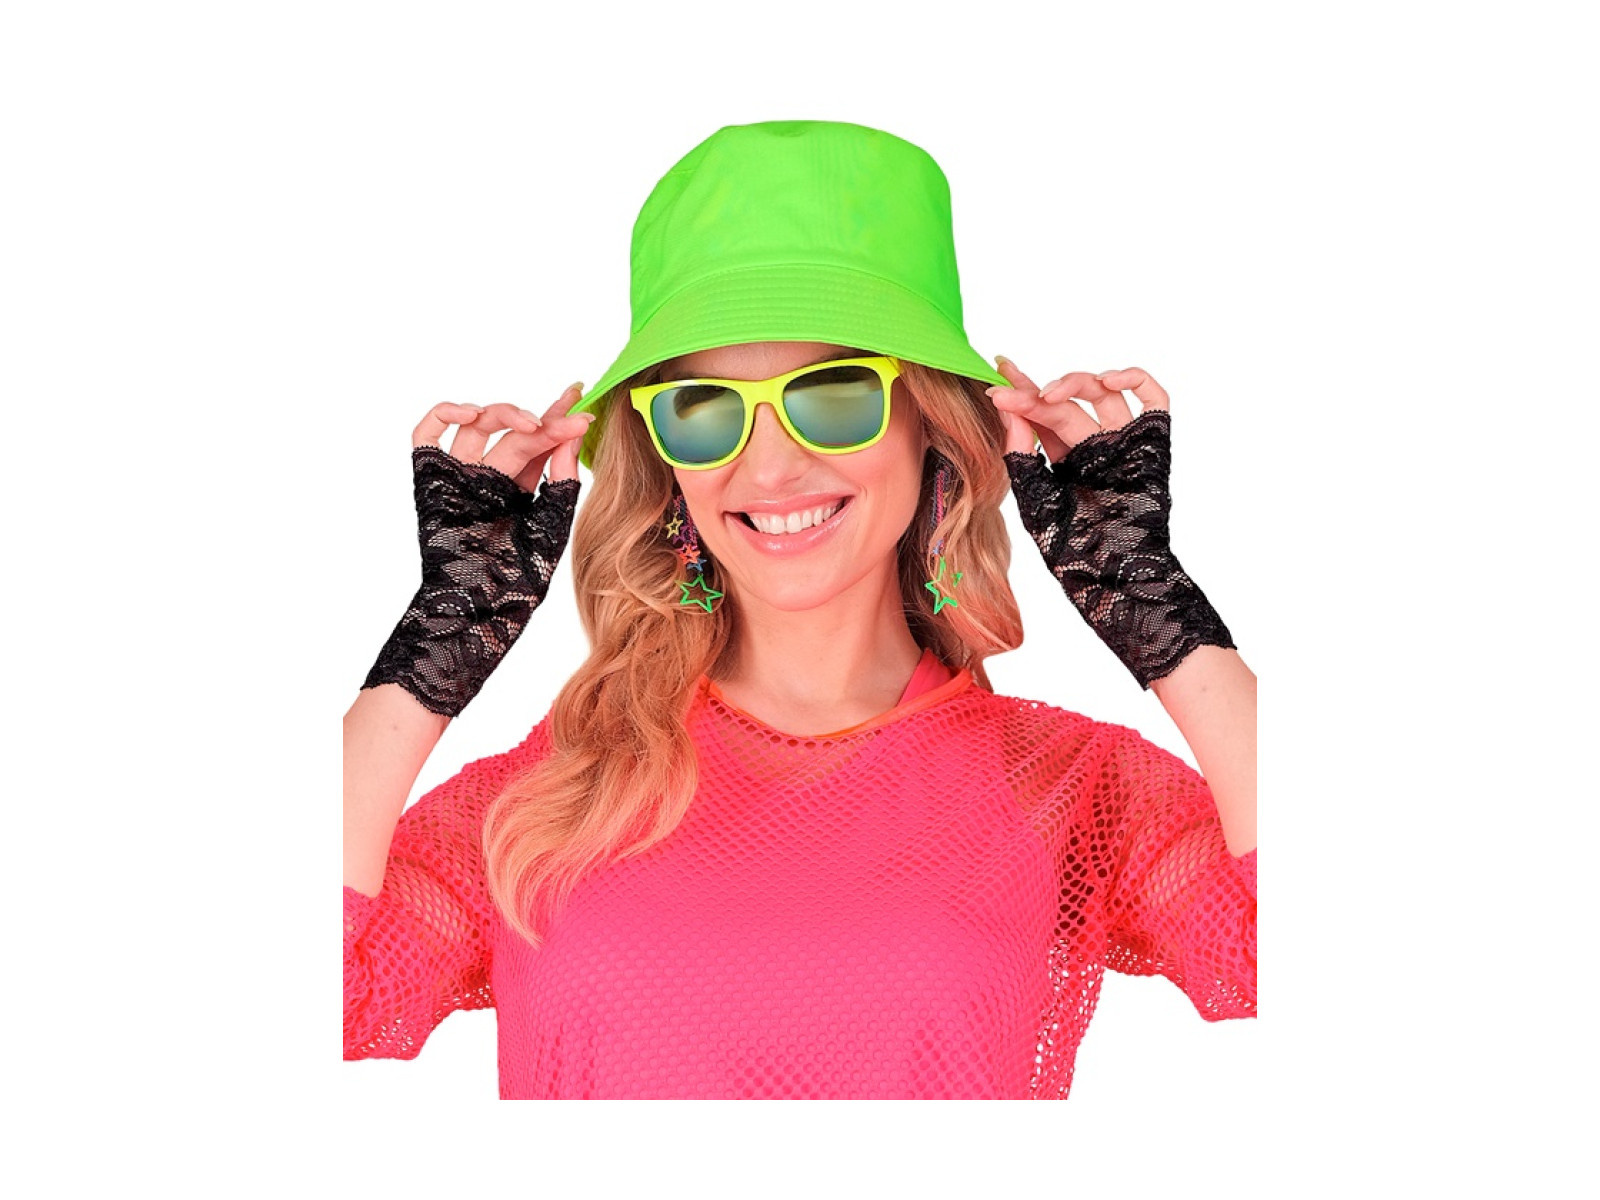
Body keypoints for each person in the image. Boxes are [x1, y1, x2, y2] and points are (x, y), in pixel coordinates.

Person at [343, 119, 1257, 1099]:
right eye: (704, 409)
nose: (770, 467)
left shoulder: (1068, 790)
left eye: (833, 395)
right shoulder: (540, 804)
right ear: (665, 457)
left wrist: (1157, 608)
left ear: (931, 423)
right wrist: (435, 647)